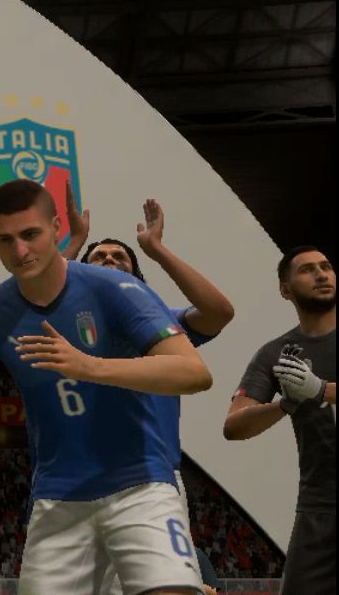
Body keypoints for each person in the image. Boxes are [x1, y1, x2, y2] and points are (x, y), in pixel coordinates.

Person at [0, 178, 211, 595]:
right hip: (57, 498)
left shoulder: (116, 289)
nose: (20, 251)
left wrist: (89, 366)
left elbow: (195, 372)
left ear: (56, 227)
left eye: (30, 234)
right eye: (6, 240)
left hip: (140, 483)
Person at [73, 200, 235, 595]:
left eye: (120, 257)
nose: (110, 260)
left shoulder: (160, 323)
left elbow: (219, 312)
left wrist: (157, 250)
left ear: (138, 280)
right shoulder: (64, 324)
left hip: (153, 477)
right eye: (98, 256)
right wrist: (71, 246)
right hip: (76, 480)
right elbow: (31, 295)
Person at [223, 246, 335, 595]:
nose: (321, 274)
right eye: (307, 269)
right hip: (320, 506)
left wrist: (321, 390)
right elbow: (234, 426)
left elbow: (319, 391)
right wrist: (285, 405)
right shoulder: (277, 353)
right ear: (285, 289)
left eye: (326, 266)